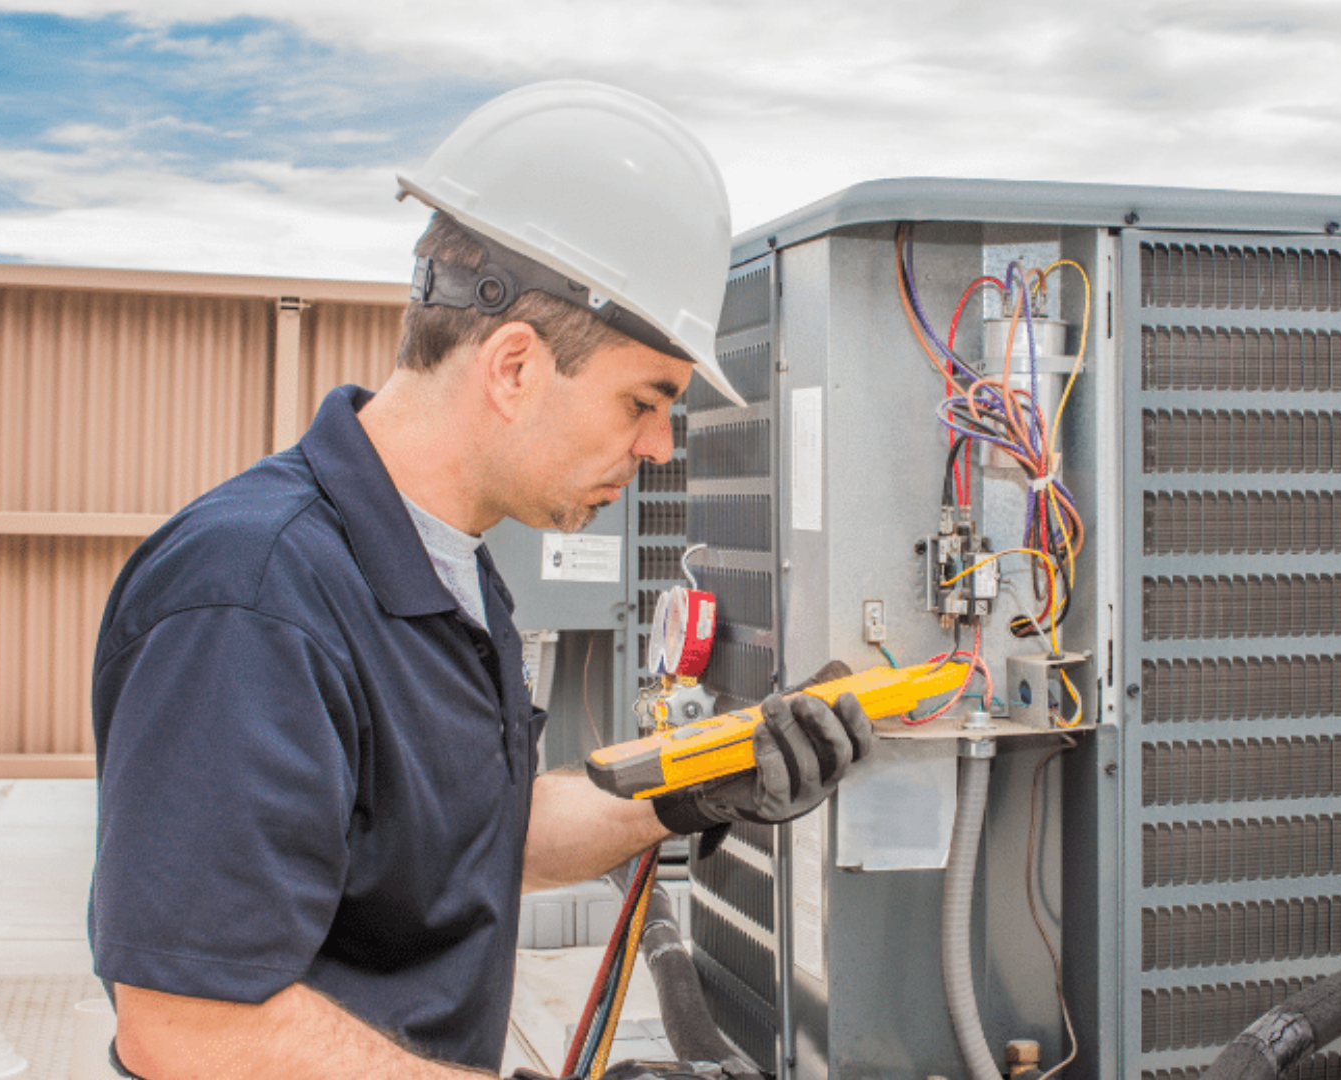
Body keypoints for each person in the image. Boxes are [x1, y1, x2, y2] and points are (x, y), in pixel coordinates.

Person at [87, 81, 873, 1080]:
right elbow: (194, 1029)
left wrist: (706, 781)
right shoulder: (253, 600)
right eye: (644, 399)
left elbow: (471, 844)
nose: (661, 446)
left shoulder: (449, 568)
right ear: (513, 366)